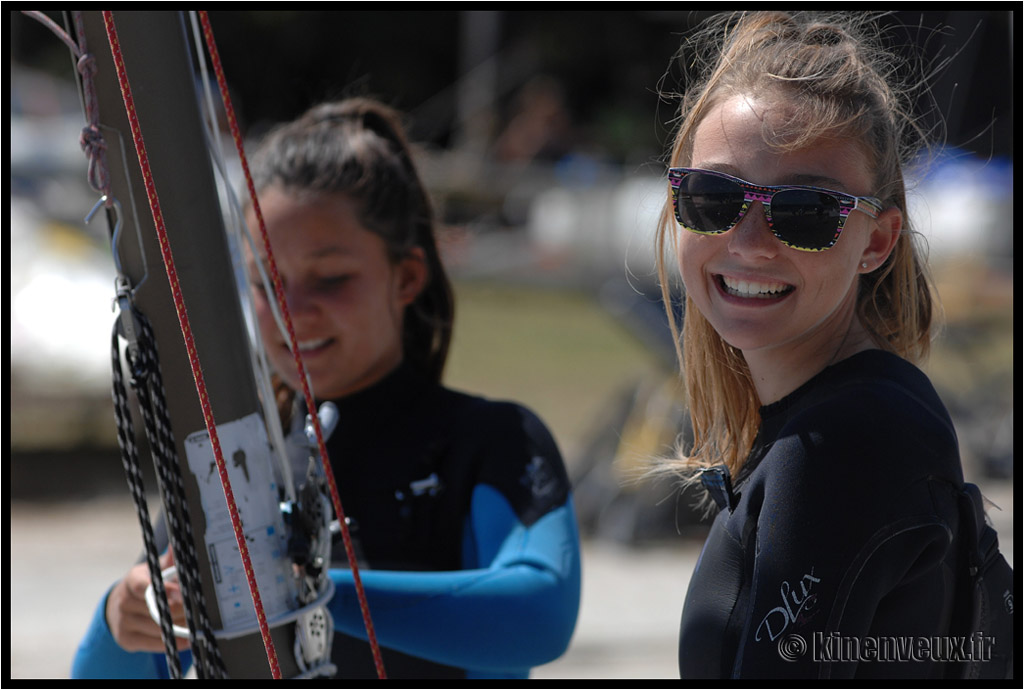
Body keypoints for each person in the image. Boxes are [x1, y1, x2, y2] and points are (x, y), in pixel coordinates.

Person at [71, 97, 581, 680]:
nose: (293, 313)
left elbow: (540, 613)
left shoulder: (492, 441)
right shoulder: (231, 457)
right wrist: (120, 616)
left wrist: (307, 591)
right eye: (266, 283)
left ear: (407, 277)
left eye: (331, 279)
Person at [654, 12, 972, 679]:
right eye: (713, 197)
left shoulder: (843, 442)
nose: (747, 242)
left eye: (805, 212)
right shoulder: (844, 419)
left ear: (878, 241)